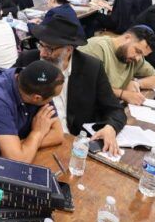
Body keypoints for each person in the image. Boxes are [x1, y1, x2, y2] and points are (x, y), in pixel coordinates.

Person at [15, 15, 126, 154]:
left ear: (68, 49)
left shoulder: (91, 67)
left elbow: (115, 110)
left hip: (77, 144)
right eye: (41, 45)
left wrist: (111, 128)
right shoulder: (27, 61)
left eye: (49, 49)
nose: (42, 53)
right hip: (36, 143)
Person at [0, 60, 66, 163]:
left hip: (21, 155)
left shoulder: (39, 86)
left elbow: (58, 134)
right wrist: (38, 132)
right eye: (53, 97)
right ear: (36, 98)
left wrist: (23, 147)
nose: (52, 100)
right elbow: (18, 160)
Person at [78, 26, 155, 105]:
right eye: (137, 51)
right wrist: (123, 94)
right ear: (127, 38)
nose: (137, 58)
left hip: (110, 105)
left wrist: (137, 83)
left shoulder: (135, 58)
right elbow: (87, 85)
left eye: (142, 55)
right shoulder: (96, 48)